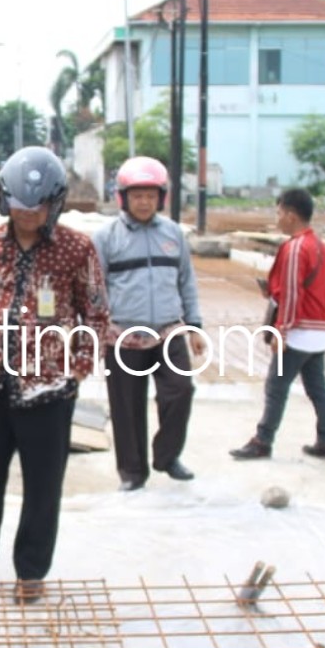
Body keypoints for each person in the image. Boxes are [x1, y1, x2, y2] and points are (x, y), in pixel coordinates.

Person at [0, 147, 109, 601]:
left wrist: (75, 372)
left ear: (55, 204)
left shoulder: (77, 249)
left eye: (38, 206)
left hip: (48, 392)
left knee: (42, 488)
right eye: (19, 204)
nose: (28, 214)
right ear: (4, 200)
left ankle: (31, 572)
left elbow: (97, 316)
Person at [93, 156, 202, 490]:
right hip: (122, 336)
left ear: (161, 198)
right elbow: (94, 289)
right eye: (137, 195)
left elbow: (186, 281)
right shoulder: (106, 237)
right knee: (127, 407)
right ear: (123, 198)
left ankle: (167, 456)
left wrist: (195, 325)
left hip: (168, 331)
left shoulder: (173, 234)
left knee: (180, 390)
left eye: (151, 196)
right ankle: (132, 473)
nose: (144, 202)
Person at [230, 188, 325, 463]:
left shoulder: (295, 248)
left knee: (276, 386)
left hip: (299, 331)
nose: (277, 218)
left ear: (291, 215)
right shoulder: (320, 246)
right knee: (317, 388)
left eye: (279, 213)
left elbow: (292, 293)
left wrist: (282, 329)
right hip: (319, 331)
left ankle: (263, 441)